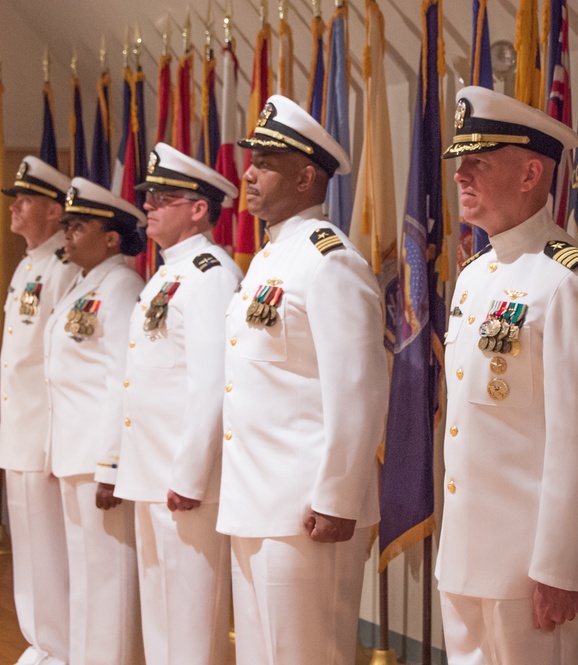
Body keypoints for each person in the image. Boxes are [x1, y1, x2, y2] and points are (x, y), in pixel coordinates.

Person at [435, 86, 578, 665]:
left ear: (530, 174)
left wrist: (562, 566)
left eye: (479, 163)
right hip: (465, 557)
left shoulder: (571, 282)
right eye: (460, 162)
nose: (461, 175)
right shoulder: (473, 277)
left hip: (528, 572)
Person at [216, 94, 389, 665]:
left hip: (305, 509)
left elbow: (358, 390)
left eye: (265, 164)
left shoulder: (330, 261)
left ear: (306, 176)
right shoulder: (268, 261)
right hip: (254, 499)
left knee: (305, 655)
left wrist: (338, 497)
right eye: (252, 162)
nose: (249, 174)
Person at [113, 142, 242, 664]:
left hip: (184, 481)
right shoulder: (169, 274)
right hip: (152, 473)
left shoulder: (211, 275)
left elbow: (212, 383)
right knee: (162, 620)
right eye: (150, 195)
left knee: (190, 625)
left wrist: (190, 477)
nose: (148, 205)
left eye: (163, 198)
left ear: (198, 209)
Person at [42, 178, 145, 664]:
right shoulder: (84, 283)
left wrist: (112, 464)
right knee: (85, 576)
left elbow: (121, 379)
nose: (67, 233)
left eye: (78, 226)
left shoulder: (121, 286)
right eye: (67, 225)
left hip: (98, 458)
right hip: (74, 453)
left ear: (111, 238)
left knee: (108, 579)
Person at [0, 156, 79, 665]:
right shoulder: (28, 265)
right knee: (27, 549)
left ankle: (62, 647)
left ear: (54, 211)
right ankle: (40, 642)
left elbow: (61, 363)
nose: (15, 208)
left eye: (25, 200)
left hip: (44, 437)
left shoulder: (64, 268)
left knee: (51, 551)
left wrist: (54, 442)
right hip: (19, 432)